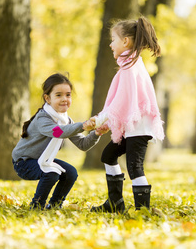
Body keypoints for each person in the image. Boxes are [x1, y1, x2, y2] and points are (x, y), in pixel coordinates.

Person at [91, 16, 164, 213]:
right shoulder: (130, 65)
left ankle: (142, 210)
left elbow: (120, 102)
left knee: (135, 167)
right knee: (109, 155)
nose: (110, 44)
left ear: (126, 41)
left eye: (113, 39)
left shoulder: (130, 68)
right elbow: (123, 102)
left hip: (139, 127)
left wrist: (99, 119)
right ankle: (115, 204)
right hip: (135, 125)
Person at [12, 73, 106, 210]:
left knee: (71, 173)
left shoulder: (65, 120)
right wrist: (83, 126)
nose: (64, 99)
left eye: (68, 95)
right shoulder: (42, 118)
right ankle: (37, 205)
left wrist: (96, 133)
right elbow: (58, 132)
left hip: (43, 159)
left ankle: (55, 205)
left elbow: (83, 144)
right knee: (51, 172)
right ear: (47, 98)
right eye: (58, 95)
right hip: (23, 162)